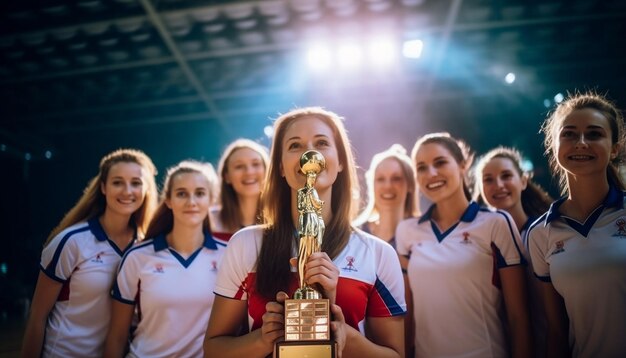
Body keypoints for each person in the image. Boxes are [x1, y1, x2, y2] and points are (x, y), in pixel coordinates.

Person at [204, 107, 406, 358]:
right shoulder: (245, 244)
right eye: (295, 146)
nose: (309, 153)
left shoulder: (378, 253)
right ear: (280, 166)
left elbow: (396, 355)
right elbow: (213, 349)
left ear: (340, 160)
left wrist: (346, 336)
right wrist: (263, 340)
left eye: (321, 143)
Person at [396, 132, 532, 358]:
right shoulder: (406, 231)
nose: (431, 173)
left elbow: (519, 318)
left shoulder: (496, 222)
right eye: (421, 167)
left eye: (440, 162)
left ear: (462, 166)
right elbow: (407, 317)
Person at [21, 149, 158, 357]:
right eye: (117, 182)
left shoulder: (145, 247)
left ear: (146, 189)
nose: (127, 190)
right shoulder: (72, 241)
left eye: (136, 183)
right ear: (103, 187)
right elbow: (37, 316)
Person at [526, 92, 626, 358]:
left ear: (615, 147)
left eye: (594, 134)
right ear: (554, 146)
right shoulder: (539, 233)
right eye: (569, 134)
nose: (581, 143)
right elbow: (556, 331)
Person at [104, 161, 224, 358]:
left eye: (200, 193)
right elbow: (117, 337)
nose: (191, 202)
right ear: (168, 200)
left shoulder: (227, 255)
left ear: (211, 200)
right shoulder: (137, 257)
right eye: (181, 193)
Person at [474, 146, 554, 356]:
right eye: (488, 179)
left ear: (524, 180)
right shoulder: (478, 244)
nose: (498, 185)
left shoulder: (548, 233)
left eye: (506, 175)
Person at [354, 144, 417, 248]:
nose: (388, 186)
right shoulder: (353, 235)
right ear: (372, 185)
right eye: (380, 179)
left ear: (410, 185)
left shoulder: (424, 236)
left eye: (396, 178)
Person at [210, 139, 269, 242]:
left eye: (255, 164)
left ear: (267, 171)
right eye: (239, 166)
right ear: (227, 176)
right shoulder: (210, 221)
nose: (249, 172)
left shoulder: (284, 219)